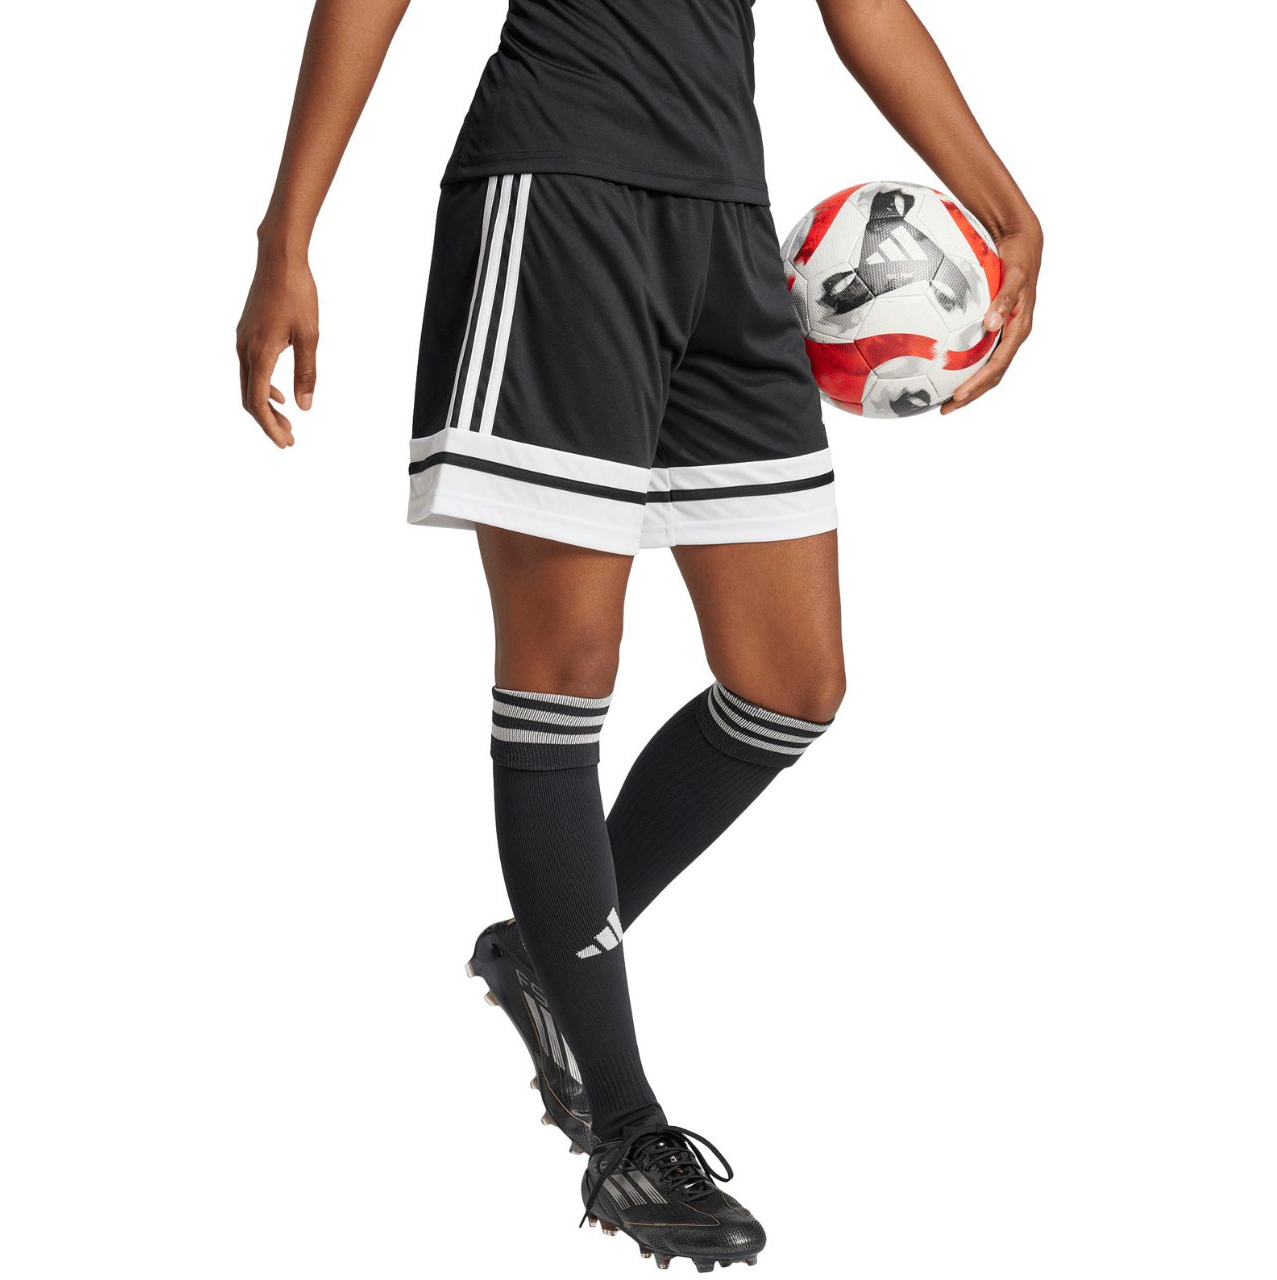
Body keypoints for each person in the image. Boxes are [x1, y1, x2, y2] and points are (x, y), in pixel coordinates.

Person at [235, 0, 1042, 1268]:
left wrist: (1005, 206)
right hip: (557, 195)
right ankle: (622, 1131)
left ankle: (544, 954)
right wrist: (287, 233)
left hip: (727, 226)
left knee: (791, 683)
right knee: (566, 665)